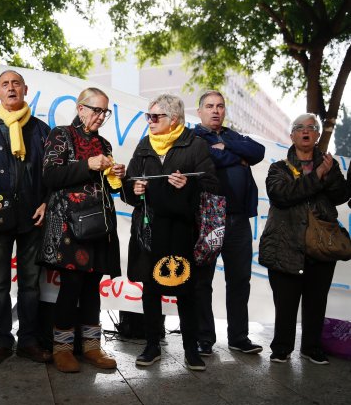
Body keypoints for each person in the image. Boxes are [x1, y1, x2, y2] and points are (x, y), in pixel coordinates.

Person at [123, 94, 218, 371]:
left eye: (156, 117)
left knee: (185, 290)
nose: (150, 122)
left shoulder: (194, 145)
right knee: (150, 289)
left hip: (180, 230)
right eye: (148, 117)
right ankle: (152, 345)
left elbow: (212, 184)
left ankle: (191, 349)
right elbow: (128, 186)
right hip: (149, 229)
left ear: (173, 119)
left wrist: (186, 184)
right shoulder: (144, 146)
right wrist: (134, 189)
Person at [0, 70, 51, 364]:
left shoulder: (41, 130)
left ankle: (29, 339)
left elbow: (52, 174)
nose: (11, 88)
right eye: (5, 84)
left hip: (33, 219)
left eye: (16, 83)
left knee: (30, 283)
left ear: (25, 90)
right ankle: (2, 339)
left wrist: (47, 202)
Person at [38, 87, 125, 373]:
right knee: (72, 285)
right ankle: (61, 348)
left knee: (92, 287)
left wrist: (119, 178)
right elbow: (50, 176)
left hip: (99, 225)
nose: (101, 116)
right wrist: (87, 164)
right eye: (96, 110)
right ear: (81, 108)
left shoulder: (106, 144)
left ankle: (91, 347)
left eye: (105, 111)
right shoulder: (60, 135)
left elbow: (109, 189)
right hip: (69, 226)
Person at [259, 113, 348, 365]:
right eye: (300, 127)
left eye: (311, 127)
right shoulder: (278, 168)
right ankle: (281, 347)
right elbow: (282, 195)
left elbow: (340, 195)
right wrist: (318, 174)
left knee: (316, 301)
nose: (306, 131)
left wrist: (327, 174)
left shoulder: (331, 166)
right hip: (285, 244)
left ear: (318, 135)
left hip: (321, 246)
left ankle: (311, 347)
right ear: (292, 135)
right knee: (285, 303)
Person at [193, 90, 265, 356]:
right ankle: (204, 339)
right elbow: (212, 158)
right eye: (210, 106)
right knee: (203, 281)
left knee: (240, 280)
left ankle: (238, 337)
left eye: (220, 106)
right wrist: (238, 156)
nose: (215, 110)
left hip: (238, 220)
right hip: (209, 217)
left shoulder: (232, 136)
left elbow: (258, 150)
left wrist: (229, 147)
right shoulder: (194, 137)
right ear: (199, 111)